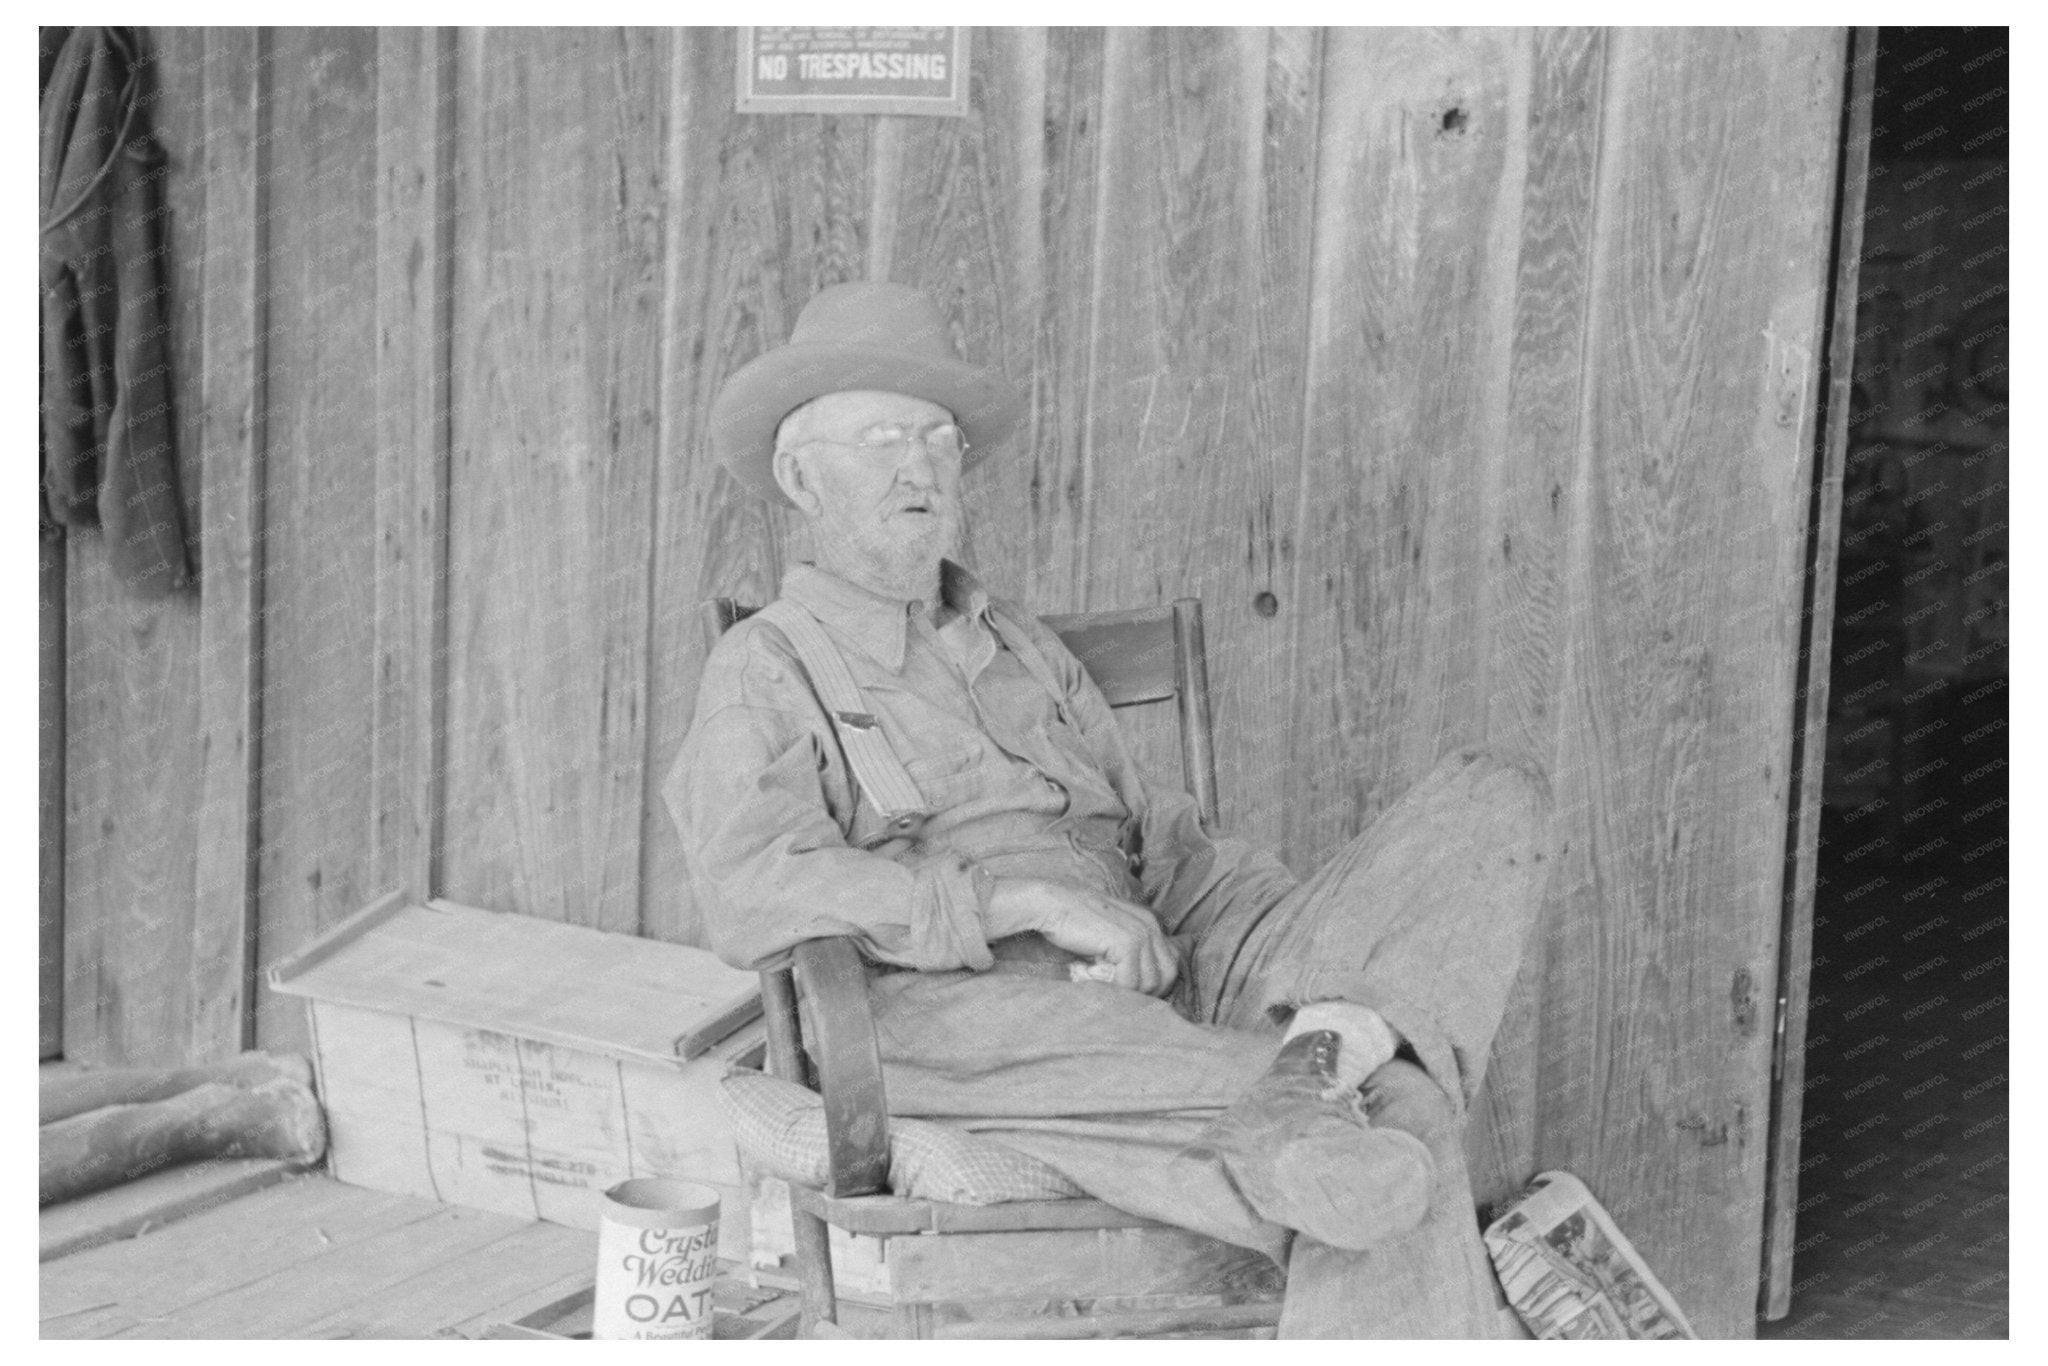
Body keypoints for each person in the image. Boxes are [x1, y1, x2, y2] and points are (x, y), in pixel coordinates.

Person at [664, 281, 1559, 1338]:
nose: (917, 466)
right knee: (1396, 1113)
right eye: (878, 437)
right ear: (797, 478)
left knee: (1492, 799)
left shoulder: (1025, 648)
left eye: (938, 438)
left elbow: (1168, 848)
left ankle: (1316, 1057)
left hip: (1157, 958)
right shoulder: (766, 661)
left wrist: (1287, 947)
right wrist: (1022, 899)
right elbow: (753, 890)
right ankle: (1313, 1089)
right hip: (962, 997)